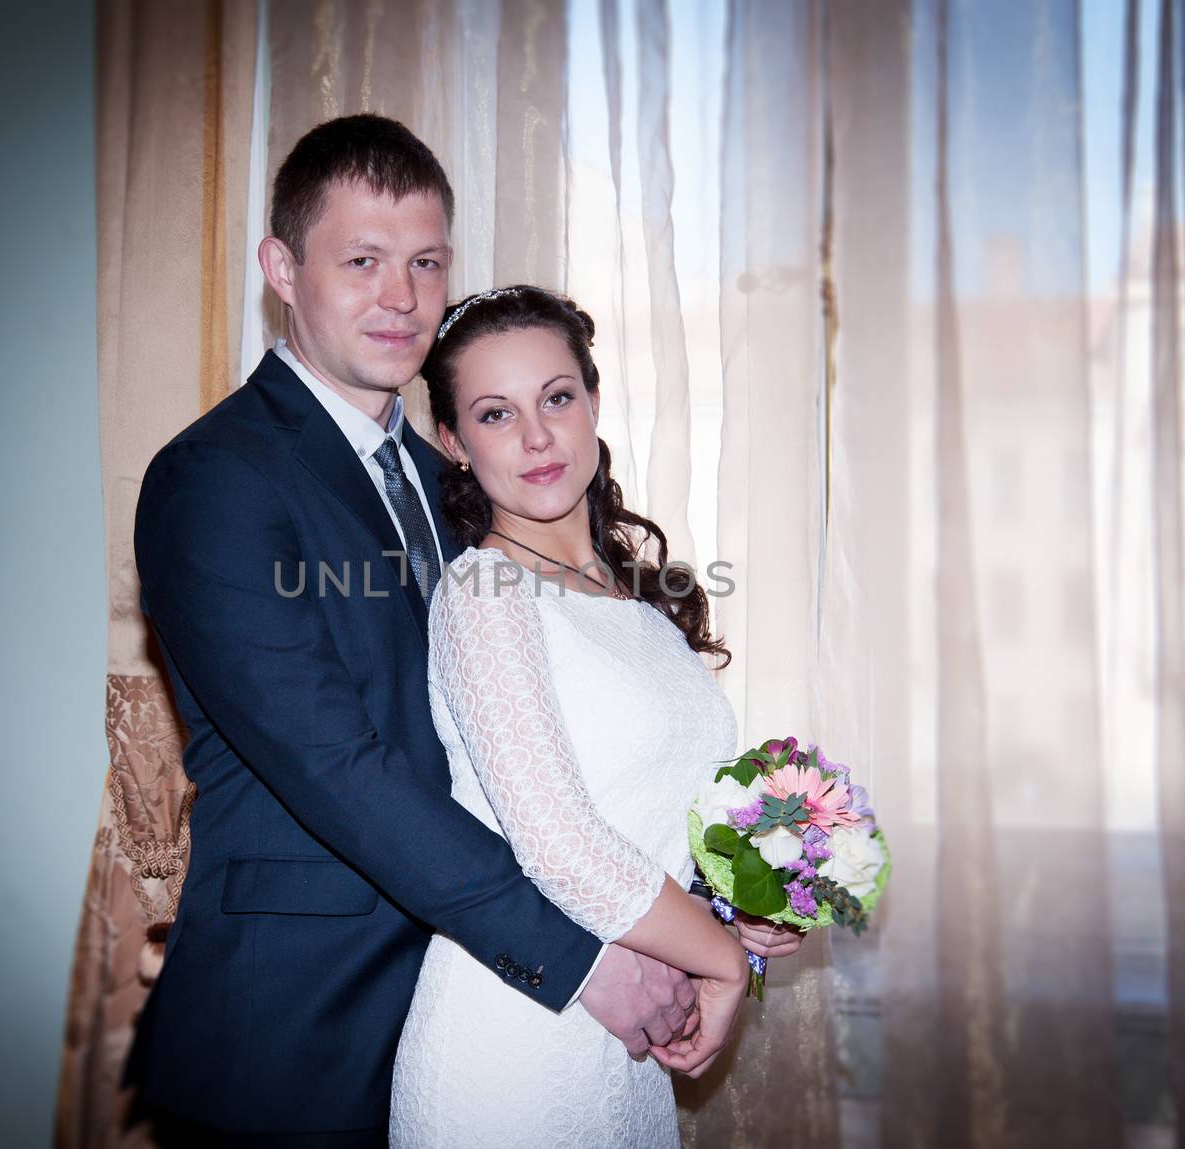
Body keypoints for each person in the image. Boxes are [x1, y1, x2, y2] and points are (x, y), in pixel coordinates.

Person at [125, 116, 702, 1145]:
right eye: (362, 261)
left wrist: (702, 908)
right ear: (282, 269)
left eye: (425, 262)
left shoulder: (463, 479)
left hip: (476, 1011)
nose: (401, 295)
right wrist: (581, 961)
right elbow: (335, 766)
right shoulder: (215, 479)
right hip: (304, 1030)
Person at [389, 286, 805, 1147]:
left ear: (594, 402)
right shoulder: (484, 591)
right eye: (496, 414)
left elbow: (646, 825)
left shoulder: (641, 604)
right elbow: (558, 841)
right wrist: (721, 960)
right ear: (454, 445)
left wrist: (733, 912)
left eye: (557, 397)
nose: (538, 437)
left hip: (626, 1052)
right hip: (508, 1047)